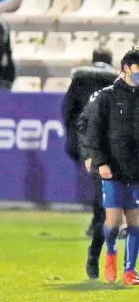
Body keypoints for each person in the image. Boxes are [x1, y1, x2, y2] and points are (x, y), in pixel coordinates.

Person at [85, 48, 139, 285]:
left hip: (136, 168)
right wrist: (101, 162)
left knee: (136, 221)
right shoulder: (106, 97)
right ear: (125, 68)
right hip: (113, 169)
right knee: (113, 222)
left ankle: (130, 271)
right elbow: (93, 134)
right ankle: (111, 251)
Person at [62, 47, 119, 236]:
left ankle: (101, 223)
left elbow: (68, 110)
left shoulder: (80, 79)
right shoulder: (118, 81)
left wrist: (73, 136)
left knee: (100, 182)